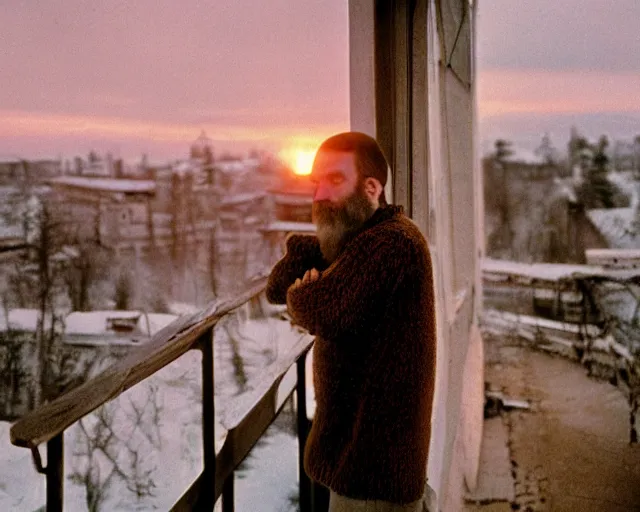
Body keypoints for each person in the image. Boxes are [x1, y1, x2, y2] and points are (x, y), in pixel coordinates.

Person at [266, 132, 437, 511]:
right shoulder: (366, 240)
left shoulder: (393, 243)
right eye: (317, 182)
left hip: (373, 480)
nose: (320, 195)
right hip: (366, 467)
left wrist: (306, 293)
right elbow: (278, 287)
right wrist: (305, 270)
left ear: (372, 187)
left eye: (336, 180)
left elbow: (318, 307)